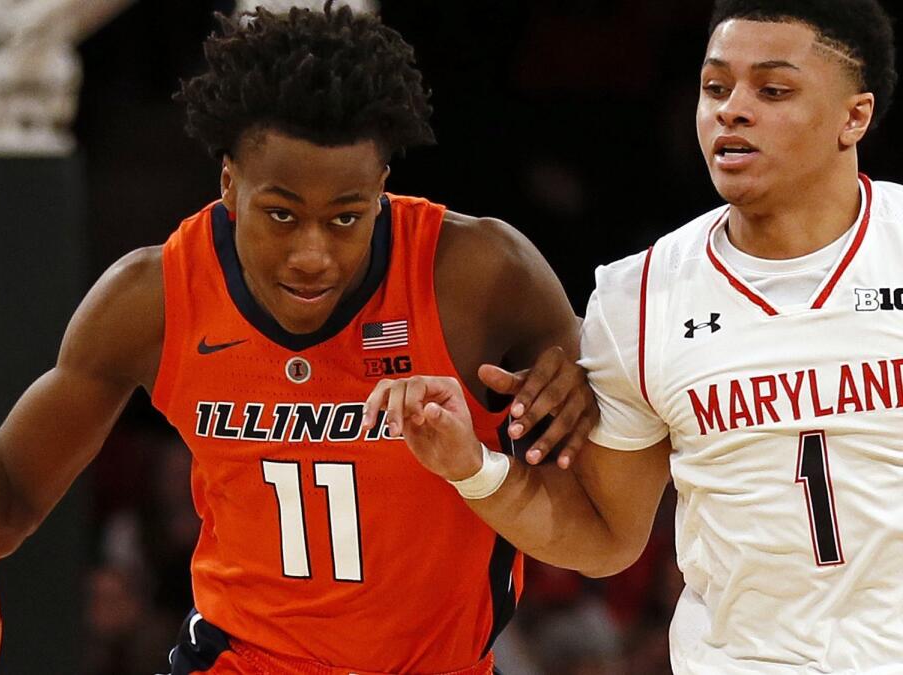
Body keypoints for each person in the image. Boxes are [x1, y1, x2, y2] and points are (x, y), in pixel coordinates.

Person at [0, 4, 599, 673]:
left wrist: (583, 395)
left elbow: (593, 494)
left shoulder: (480, 277)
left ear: (383, 187)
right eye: (281, 213)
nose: (312, 252)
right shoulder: (152, 298)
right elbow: (10, 485)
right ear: (228, 184)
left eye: (346, 217)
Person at [367, 0, 903, 671]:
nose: (731, 110)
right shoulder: (638, 297)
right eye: (715, 87)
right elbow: (605, 537)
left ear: (854, 116)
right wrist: (473, 467)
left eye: (772, 90)